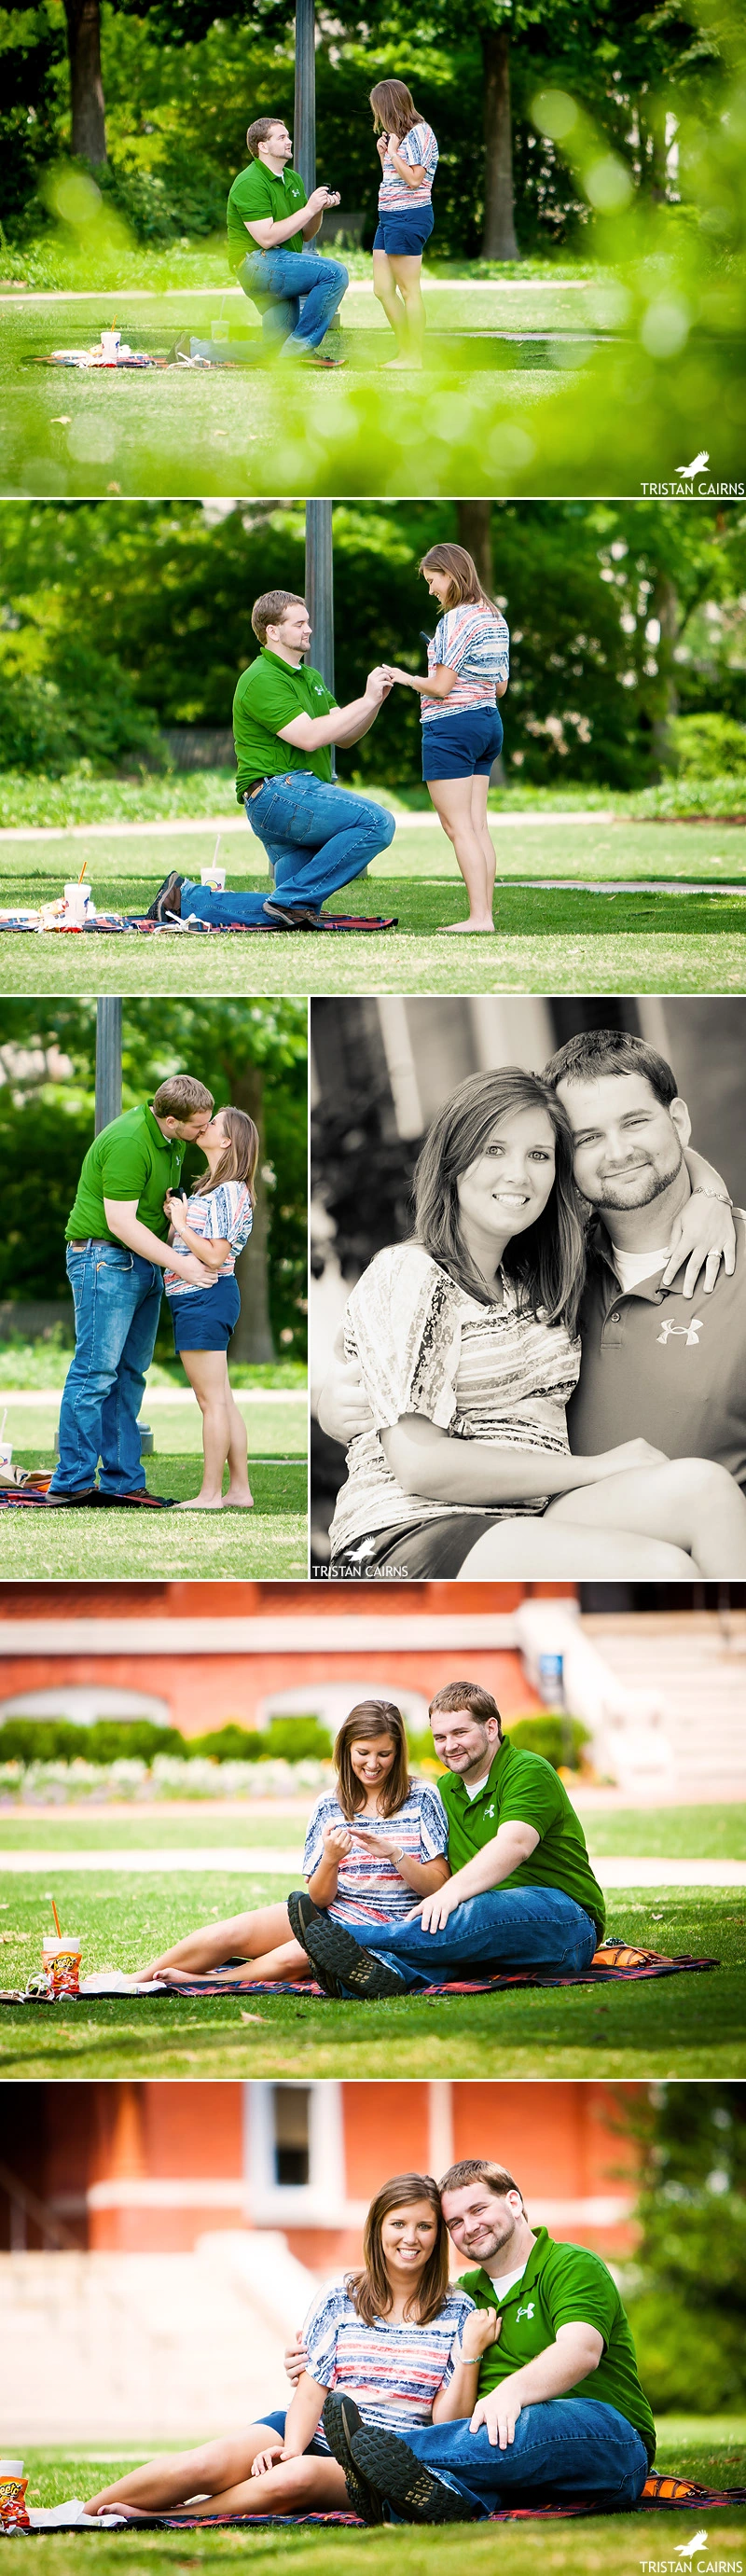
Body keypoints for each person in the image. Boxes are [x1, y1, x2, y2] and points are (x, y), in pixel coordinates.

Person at [316, 1063, 745, 1579]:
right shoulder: (409, 1271)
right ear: (452, 1160)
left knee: (708, 1490)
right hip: (413, 1525)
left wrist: (710, 1195)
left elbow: (637, 1160)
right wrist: (596, 1469)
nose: (518, 1174)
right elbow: (420, 1464)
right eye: (493, 1149)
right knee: (661, 1567)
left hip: (536, 1515)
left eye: (538, 1155)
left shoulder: (541, 1279)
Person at [84, 2173, 490, 2522]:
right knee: (203, 2463)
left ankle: (161, 2518)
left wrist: (470, 2351)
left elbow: (445, 2423)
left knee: (293, 2479)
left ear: (439, 2235)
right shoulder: (338, 2295)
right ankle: (78, 2514)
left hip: (381, 2458)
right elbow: (313, 2387)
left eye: (424, 2226)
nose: (410, 2238)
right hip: (306, 2427)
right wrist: (291, 2447)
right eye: (398, 2223)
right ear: (378, 2228)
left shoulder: (458, 2311)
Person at [289, 2159, 655, 2524]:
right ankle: (417, 2499)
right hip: (502, 2452)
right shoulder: (462, 2300)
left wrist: (509, 2393)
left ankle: (358, 2459)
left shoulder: (570, 2264)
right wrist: (307, 2359)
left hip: (608, 2440)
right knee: (471, 2467)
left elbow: (581, 2350)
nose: (470, 2227)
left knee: (526, 2422)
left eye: (478, 2209)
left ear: (513, 2202)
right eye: (456, 2223)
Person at [284, 1680, 608, 1998]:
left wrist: (449, 1893)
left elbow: (515, 1845)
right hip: (486, 1936)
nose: (449, 1745)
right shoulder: (444, 1791)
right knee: (447, 1948)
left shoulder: (526, 1770)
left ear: (491, 1728)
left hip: (565, 1922)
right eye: (440, 1736)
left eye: (460, 1732)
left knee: (474, 1910)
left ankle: (345, 1936)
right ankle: (370, 1977)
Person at [136, 1698, 449, 1986]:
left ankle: (203, 1980)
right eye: (363, 1753)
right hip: (331, 1914)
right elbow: (320, 1898)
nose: (373, 1764)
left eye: (384, 1754)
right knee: (233, 1932)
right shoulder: (329, 1805)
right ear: (347, 1749)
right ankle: (137, 1977)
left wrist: (395, 1854)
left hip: (387, 1927)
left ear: (398, 1752)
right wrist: (330, 1859)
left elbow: (438, 1886)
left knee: (295, 1956)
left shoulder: (422, 1797)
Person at [145, 591, 395, 934]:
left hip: (293, 799)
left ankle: (183, 899)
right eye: (300, 623)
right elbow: (309, 736)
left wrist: (374, 703)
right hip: (279, 795)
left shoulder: (310, 678)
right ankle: (286, 901)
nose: (309, 629)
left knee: (292, 909)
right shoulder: (261, 678)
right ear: (273, 632)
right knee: (377, 823)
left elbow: (346, 736)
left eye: (307, 621)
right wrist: (365, 698)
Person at [47, 1078, 215, 1510]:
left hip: (144, 1263)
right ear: (172, 1120)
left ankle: (123, 1480)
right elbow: (120, 1223)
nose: (206, 1130)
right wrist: (183, 1266)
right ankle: (72, 1483)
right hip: (104, 1261)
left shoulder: (174, 1141)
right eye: (199, 1126)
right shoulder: (128, 1140)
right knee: (95, 1372)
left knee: (130, 1374)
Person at [384, 543, 509, 933]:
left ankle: (478, 919)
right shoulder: (495, 618)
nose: (431, 589)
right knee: (477, 825)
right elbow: (501, 686)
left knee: (458, 827)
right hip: (488, 723)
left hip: (452, 727)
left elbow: (440, 687)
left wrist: (405, 677)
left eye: (433, 580)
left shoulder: (455, 621)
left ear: (451, 574)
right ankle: (485, 915)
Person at [163, 1105, 258, 1512]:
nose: (206, 1125)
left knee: (211, 1402)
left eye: (214, 1123)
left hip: (204, 1296)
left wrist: (182, 1224)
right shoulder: (213, 1188)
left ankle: (210, 1495)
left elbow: (216, 1256)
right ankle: (239, 1490)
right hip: (199, 1297)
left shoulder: (230, 1191)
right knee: (222, 1398)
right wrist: (178, 1217)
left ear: (227, 1141)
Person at [227, 116, 347, 367]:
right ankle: (300, 350)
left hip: (279, 264)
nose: (289, 141)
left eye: (288, 136)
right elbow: (267, 238)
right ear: (263, 146)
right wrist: (308, 208)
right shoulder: (249, 182)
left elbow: (305, 234)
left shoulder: (293, 179)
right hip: (255, 265)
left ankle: (196, 348)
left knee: (274, 351)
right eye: (281, 137)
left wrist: (318, 209)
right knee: (334, 274)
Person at [370, 80, 438, 368]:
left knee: (409, 290)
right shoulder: (398, 137)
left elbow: (414, 179)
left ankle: (414, 357)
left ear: (388, 106)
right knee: (383, 289)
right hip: (388, 215)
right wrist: (384, 154)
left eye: (377, 109)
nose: (376, 115)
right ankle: (405, 351)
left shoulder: (421, 133)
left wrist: (394, 154)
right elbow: (393, 180)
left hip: (409, 215)